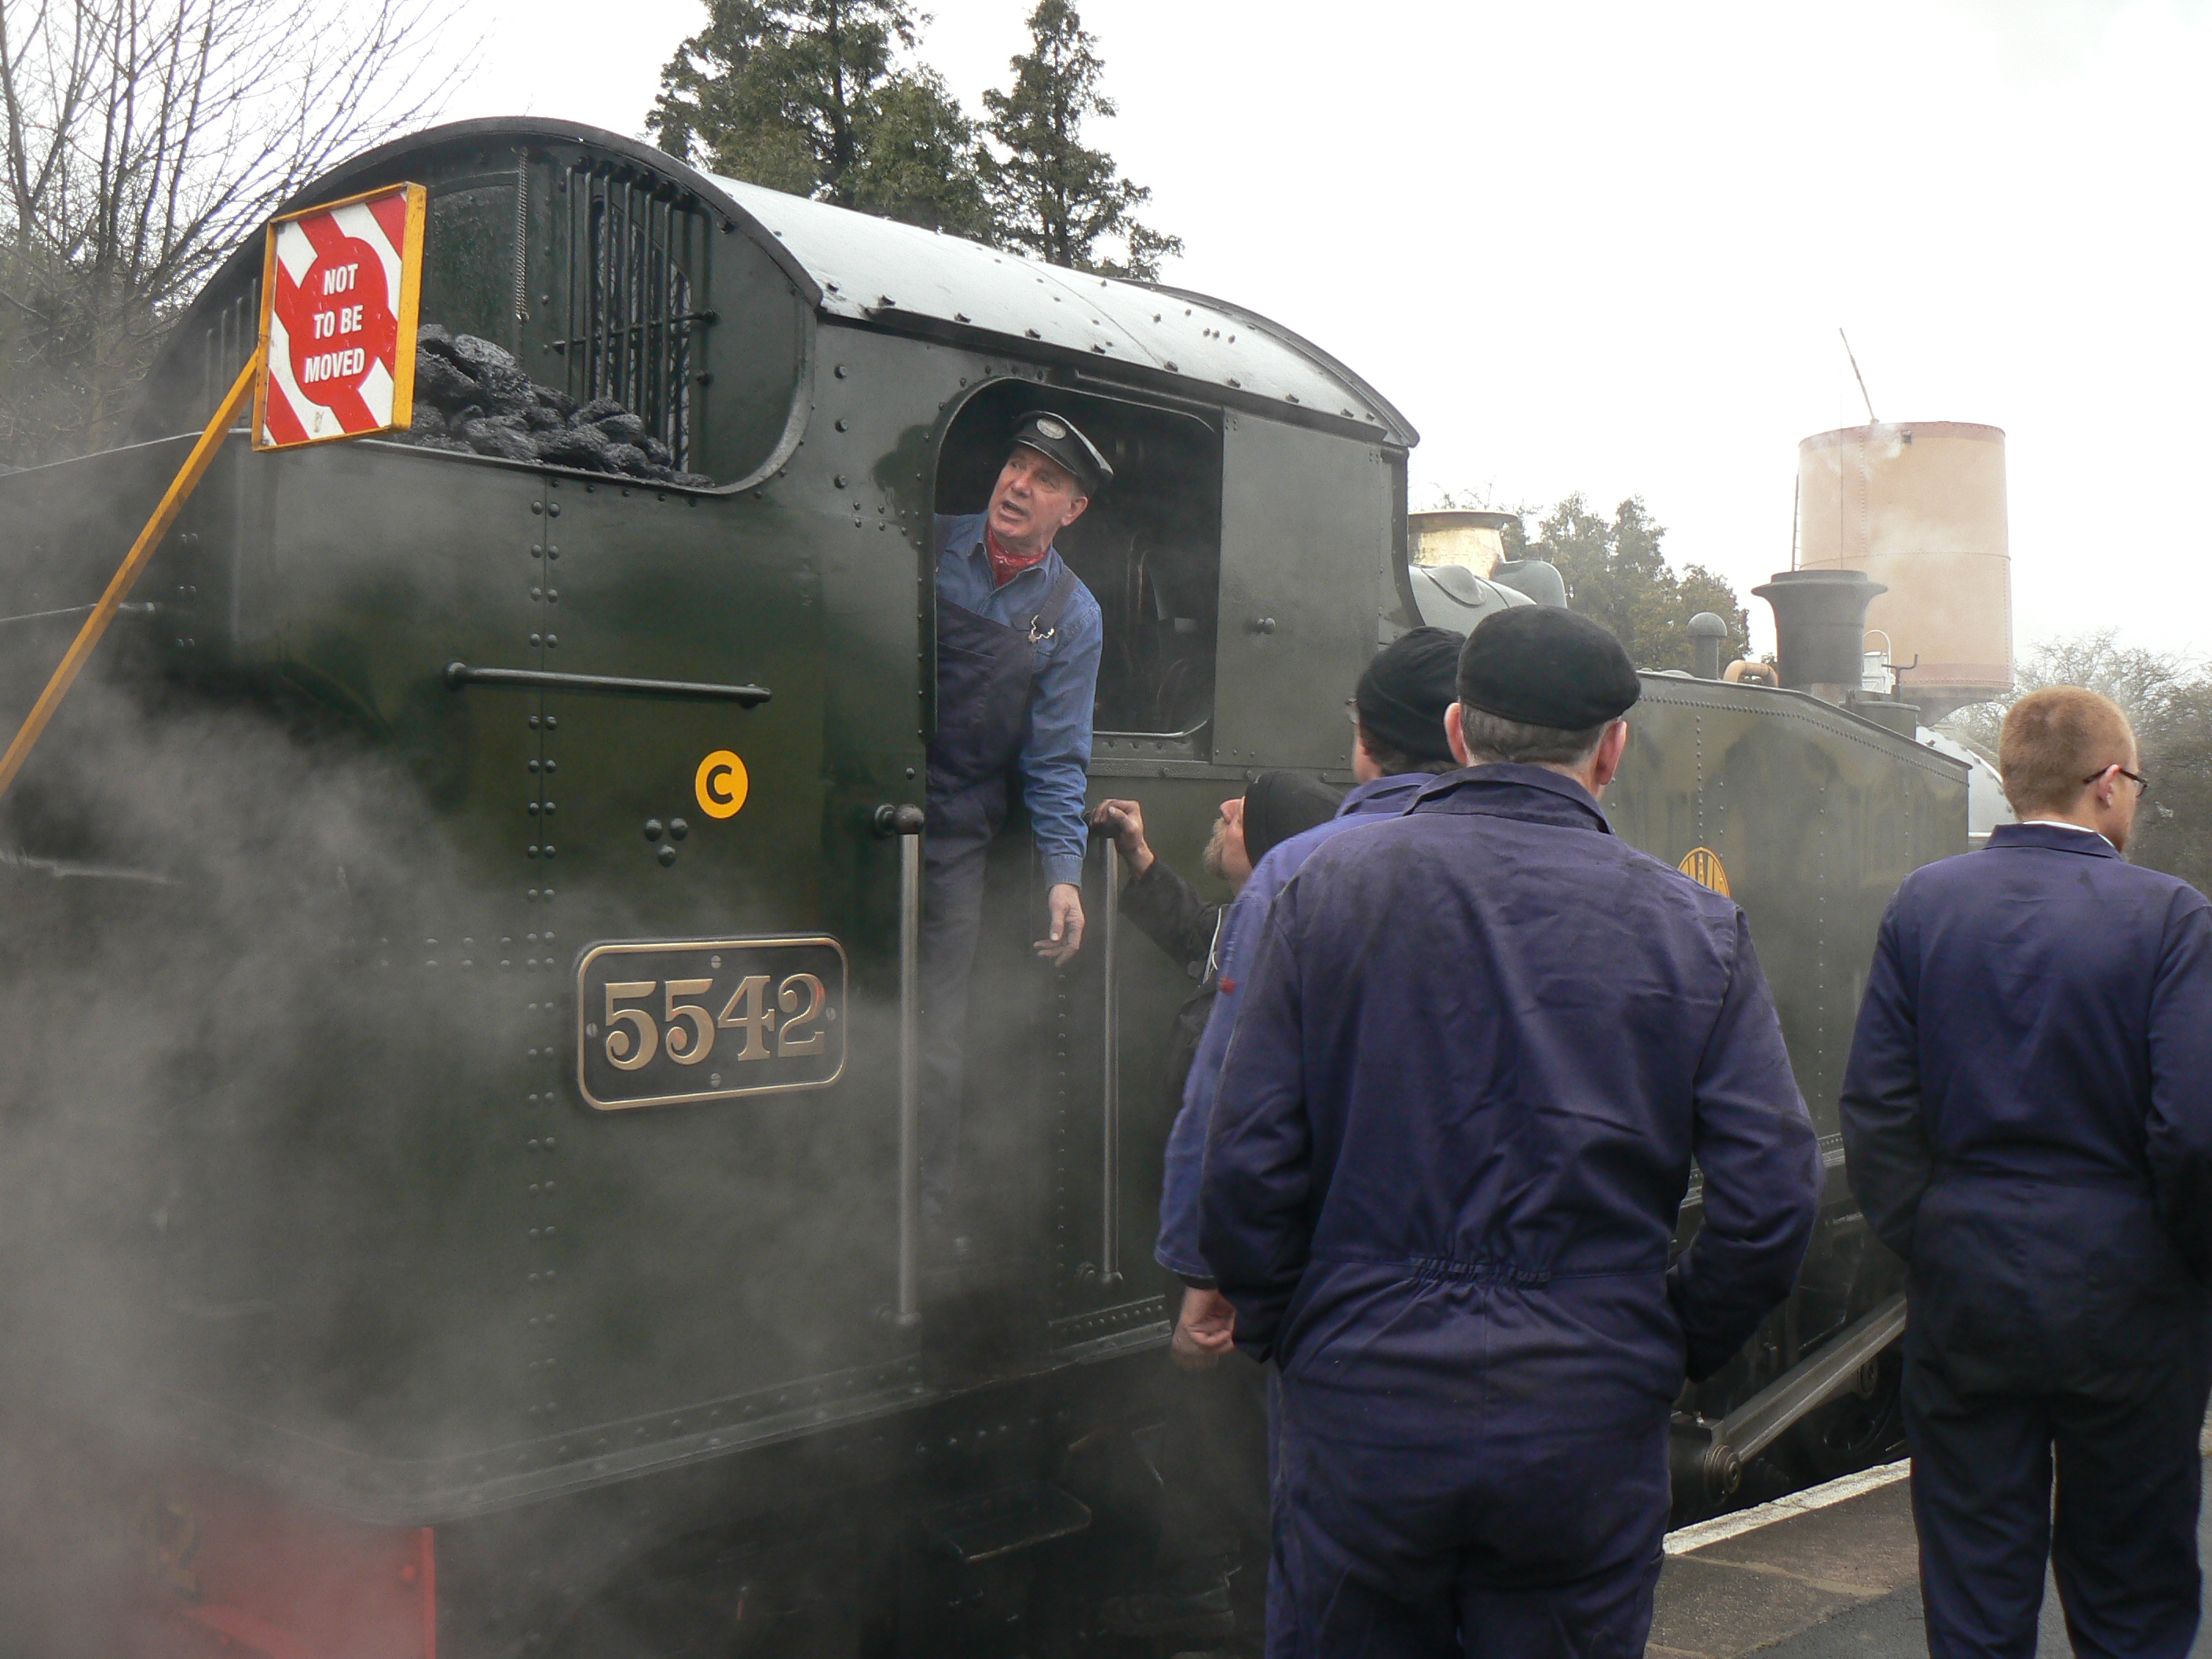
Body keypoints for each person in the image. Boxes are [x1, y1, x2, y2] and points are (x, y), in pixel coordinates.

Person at [1200, 606, 1822, 1659]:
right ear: (1612, 749)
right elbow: (1772, 1198)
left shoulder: (1320, 890)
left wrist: (1293, 1329)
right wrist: (1664, 1341)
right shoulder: (1697, 928)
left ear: (1457, 730)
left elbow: (1245, 1162)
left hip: (1363, 1393)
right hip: (1584, 1406)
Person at [1840, 686, 2212, 1659]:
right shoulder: (2171, 918)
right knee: (2131, 1589)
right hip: (2130, 1298)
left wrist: (1936, 1234)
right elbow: (2192, 1133)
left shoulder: (1924, 904)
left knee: (1971, 1580)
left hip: (1966, 1284)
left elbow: (1876, 1111)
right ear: (2106, 783)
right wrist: (2183, 1266)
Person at [1159, 626, 1467, 1364]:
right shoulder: (1593, 871)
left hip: (1351, 1288)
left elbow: (1233, 1091)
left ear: (1365, 741)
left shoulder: (1297, 871)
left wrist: (1203, 1263)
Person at [921, 412, 1111, 1246]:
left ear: (1073, 508)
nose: (1019, 485)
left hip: (956, 829)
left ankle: (921, 1219)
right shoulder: (923, 542)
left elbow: (1057, 759)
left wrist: (1063, 874)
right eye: (1016, 465)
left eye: (1045, 479)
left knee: (935, 1023)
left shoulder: (1073, 615)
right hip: (859, 792)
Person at [1092, 773, 1342, 1122]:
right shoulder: (1254, 931)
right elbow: (1197, 928)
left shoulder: (1280, 976)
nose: (1225, 808)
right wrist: (1136, 853)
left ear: (1270, 853)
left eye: (1242, 817)